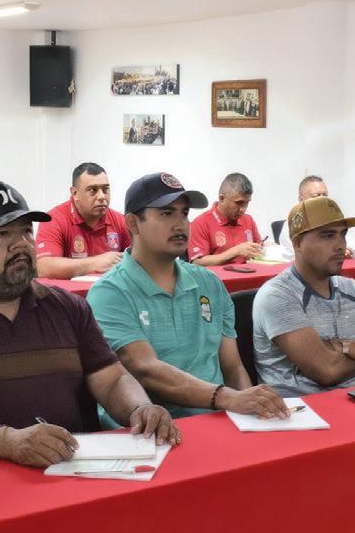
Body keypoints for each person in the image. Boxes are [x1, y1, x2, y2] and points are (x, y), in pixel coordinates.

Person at [0, 180, 179, 468]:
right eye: (2, 234)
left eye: (26, 231)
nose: (21, 244)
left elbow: (112, 379)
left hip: (75, 467)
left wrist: (140, 408)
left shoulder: (68, 308)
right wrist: (6, 441)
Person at [87, 172, 290, 419]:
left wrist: (255, 413)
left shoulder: (209, 283)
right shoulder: (110, 293)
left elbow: (233, 367)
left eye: (184, 213)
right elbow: (145, 369)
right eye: (166, 213)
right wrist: (225, 398)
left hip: (217, 420)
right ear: (132, 223)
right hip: (147, 429)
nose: (180, 224)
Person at [253, 196, 355, 397]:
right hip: (301, 410)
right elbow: (328, 371)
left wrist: (345, 346)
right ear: (297, 243)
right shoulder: (277, 295)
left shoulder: (352, 289)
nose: (340, 245)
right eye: (328, 235)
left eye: (343, 234)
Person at [36, 162, 132, 279]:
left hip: (110, 290)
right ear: (74, 193)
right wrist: (95, 263)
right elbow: (44, 268)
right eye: (93, 190)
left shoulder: (121, 221)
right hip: (67, 291)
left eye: (105, 189)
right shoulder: (54, 220)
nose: (102, 196)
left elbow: (140, 262)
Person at [280, 175, 355, 259]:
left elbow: (351, 250)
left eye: (325, 195)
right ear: (301, 199)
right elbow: (303, 259)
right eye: (317, 196)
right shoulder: (293, 224)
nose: (322, 200)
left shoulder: (335, 222)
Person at [189, 172, 264, 266]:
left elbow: (260, 248)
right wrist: (235, 252)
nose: (243, 210)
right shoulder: (200, 223)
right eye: (239, 203)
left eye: (247, 203)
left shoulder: (248, 220)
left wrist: (265, 249)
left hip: (251, 273)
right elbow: (197, 263)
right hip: (218, 276)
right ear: (222, 199)